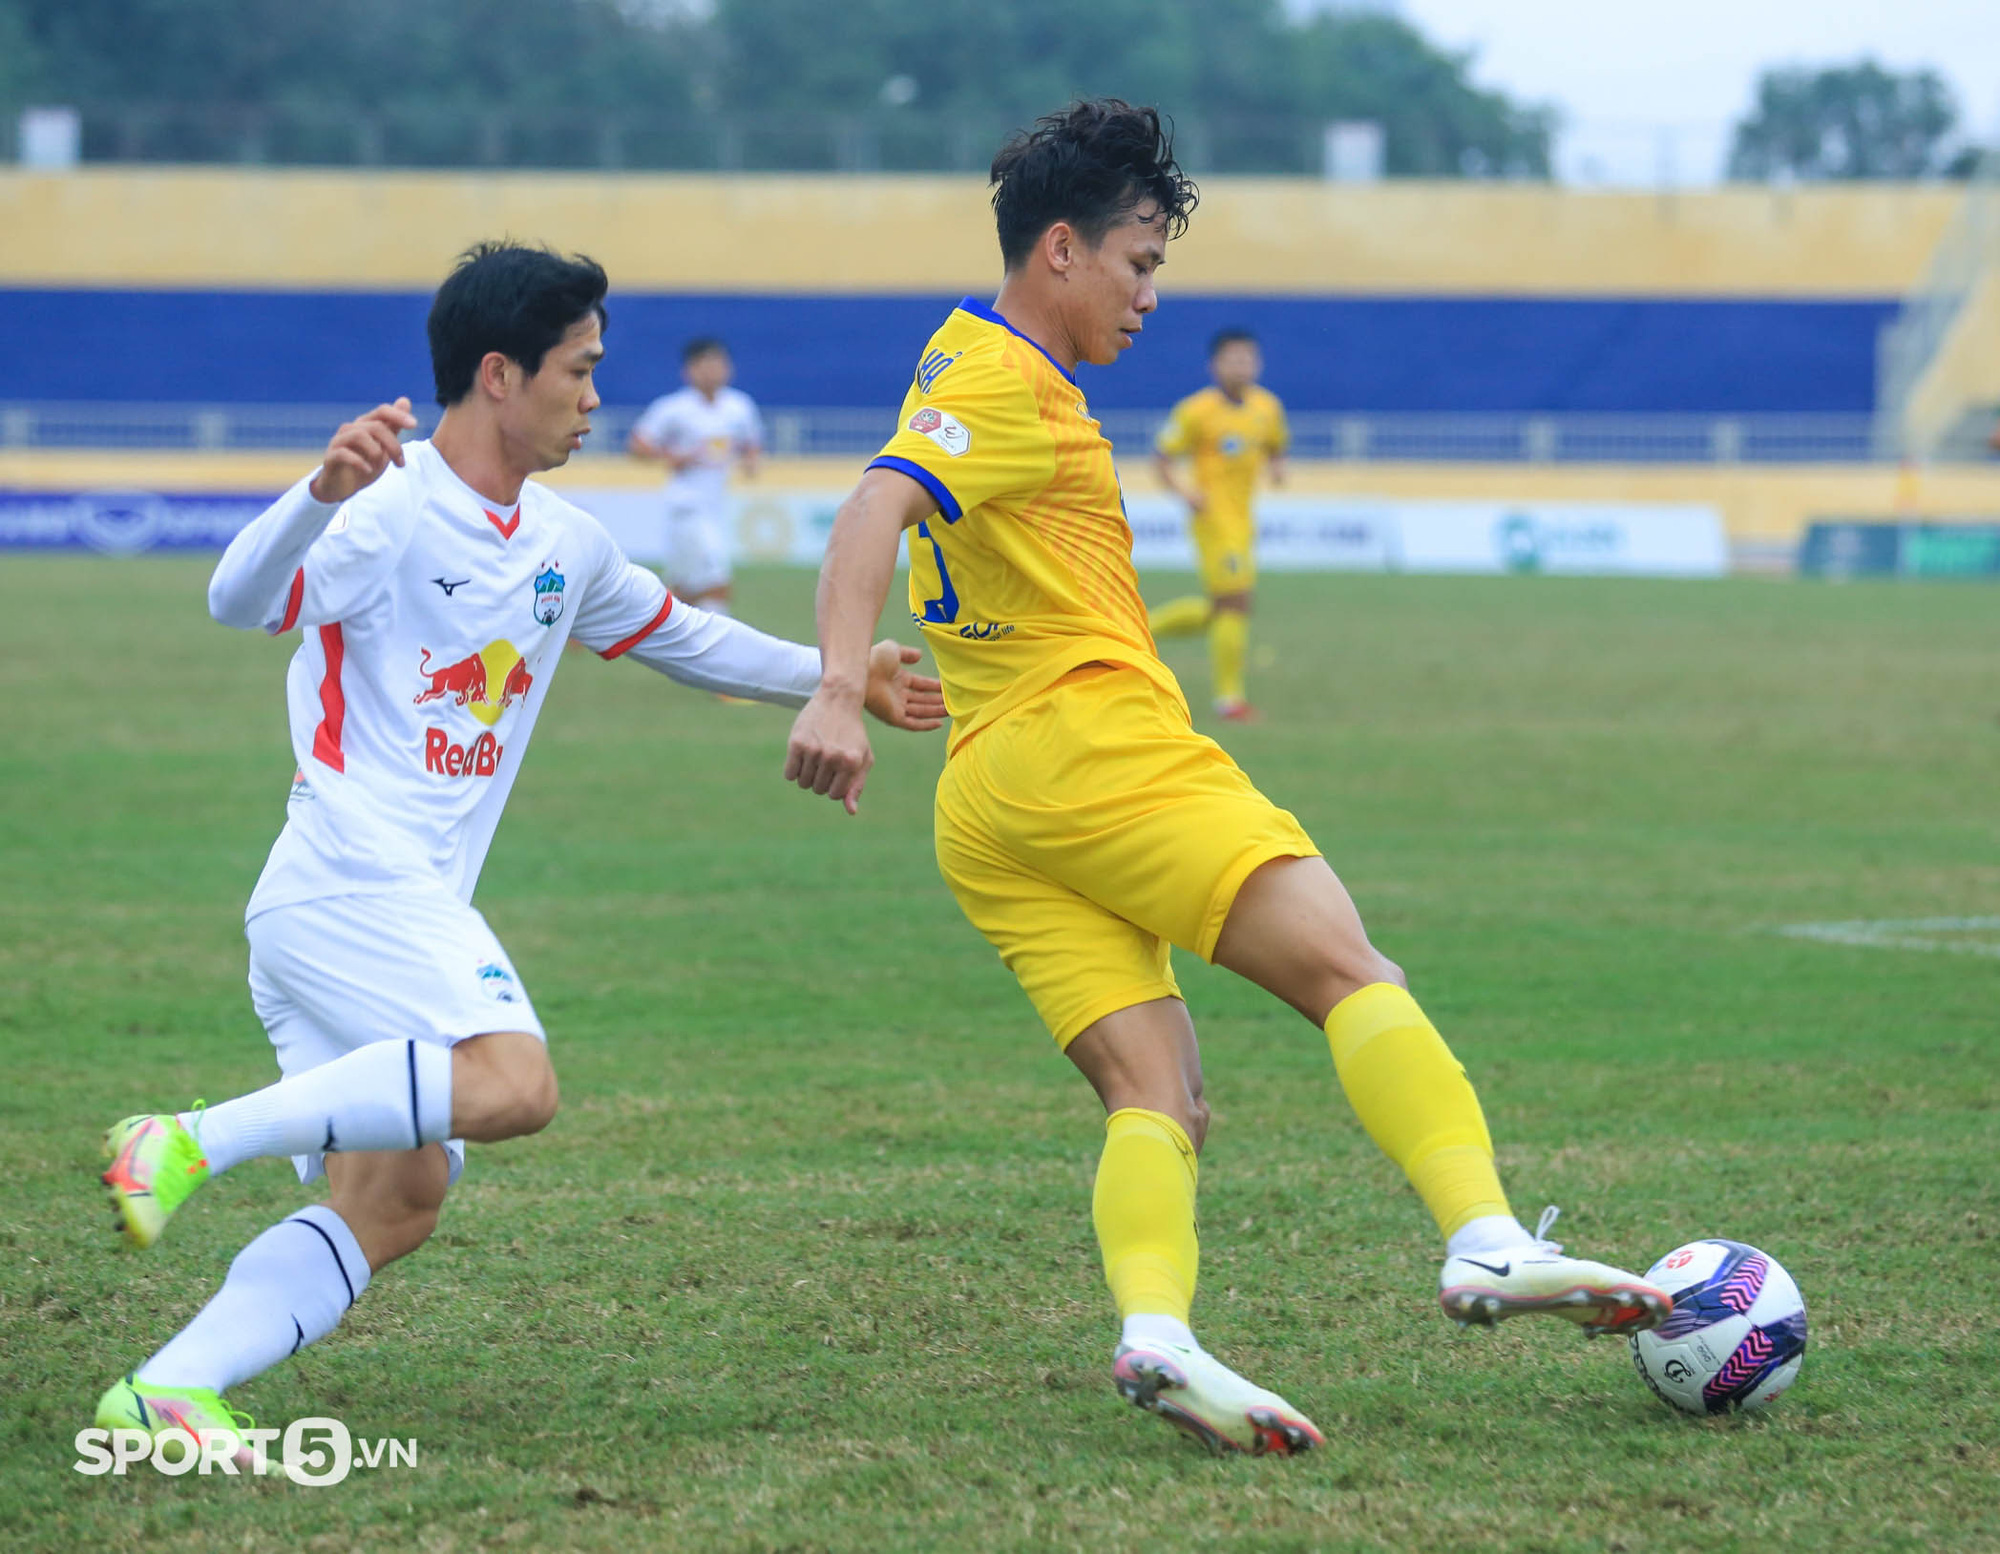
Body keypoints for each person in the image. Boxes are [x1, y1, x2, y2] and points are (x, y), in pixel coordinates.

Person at [782, 102, 1668, 1458]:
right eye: (1139, 263)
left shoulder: (958, 356)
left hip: (992, 792)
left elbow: (931, 518)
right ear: (1062, 249)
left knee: (1160, 1094)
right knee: (1350, 969)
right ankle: (1485, 1238)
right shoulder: (1005, 382)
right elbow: (871, 506)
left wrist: (903, 667)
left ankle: (1158, 1333)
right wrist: (837, 687)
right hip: (1095, 748)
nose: (1149, 296)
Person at [95, 243, 943, 1457]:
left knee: (399, 1198)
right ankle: (184, 1140)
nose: (596, 397)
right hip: (351, 877)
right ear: (500, 374)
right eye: (579, 370)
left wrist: (843, 676)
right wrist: (319, 492)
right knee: (514, 1083)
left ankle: (165, 1392)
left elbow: (684, 639)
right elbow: (238, 599)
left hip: (354, 908)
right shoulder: (385, 507)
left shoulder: (565, 543)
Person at [1147, 328, 1288, 721]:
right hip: (1212, 520)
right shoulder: (1196, 411)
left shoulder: (1267, 407)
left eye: (1248, 358)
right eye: (1233, 359)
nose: (1242, 366)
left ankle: (1137, 631)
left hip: (1244, 521)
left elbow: (1276, 444)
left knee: (1222, 608)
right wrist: (1186, 493)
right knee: (1237, 603)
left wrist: (1278, 467)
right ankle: (1229, 700)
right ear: (1216, 365)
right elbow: (1161, 458)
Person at [627, 337, 764, 614]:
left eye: (719, 364)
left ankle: (617, 619)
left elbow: (751, 443)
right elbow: (637, 444)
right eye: (705, 365)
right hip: (686, 507)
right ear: (689, 371)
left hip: (716, 506)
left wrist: (750, 461)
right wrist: (673, 457)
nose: (713, 371)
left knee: (683, 592)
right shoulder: (674, 409)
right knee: (717, 580)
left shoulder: (739, 407)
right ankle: (719, 649)